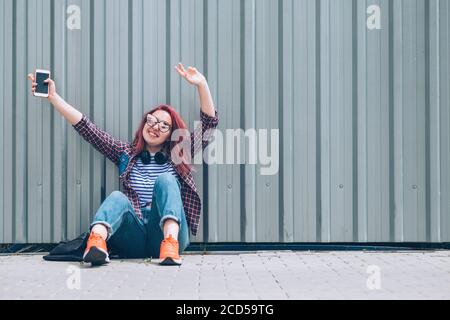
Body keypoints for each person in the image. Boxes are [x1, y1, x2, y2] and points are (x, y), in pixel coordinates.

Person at [27, 63, 219, 266]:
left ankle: (170, 244)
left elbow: (209, 125)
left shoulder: (179, 153)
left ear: (171, 134)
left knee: (166, 180)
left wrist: (201, 84)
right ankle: (96, 244)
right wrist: (54, 98)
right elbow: (88, 128)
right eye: (151, 120)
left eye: (164, 125)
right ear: (144, 123)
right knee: (118, 196)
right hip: (133, 238)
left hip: (167, 234)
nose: (155, 127)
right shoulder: (125, 153)